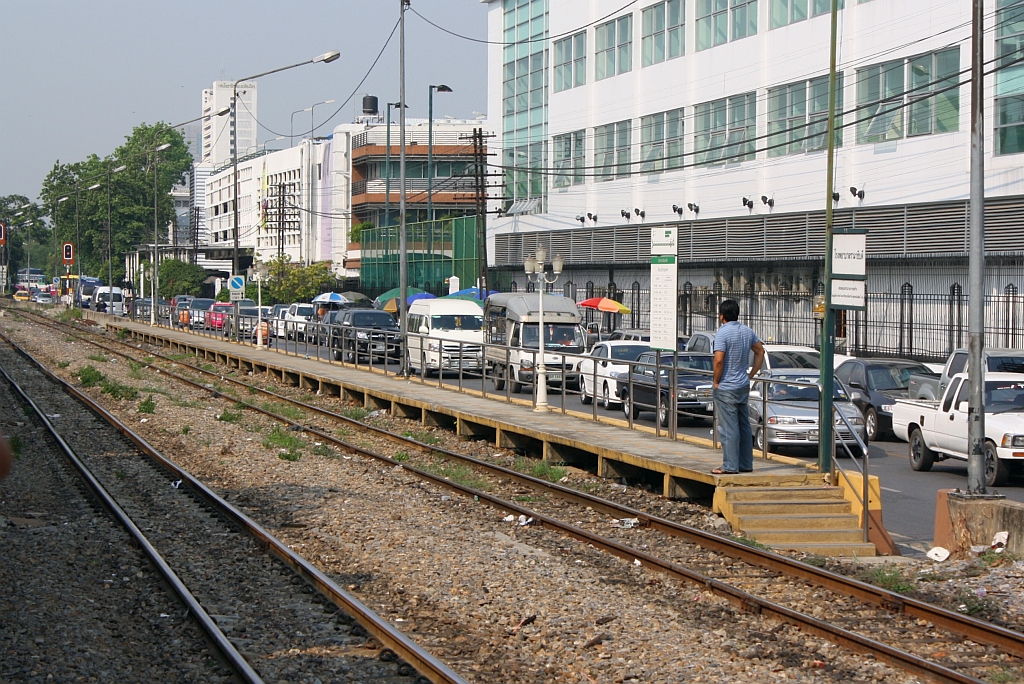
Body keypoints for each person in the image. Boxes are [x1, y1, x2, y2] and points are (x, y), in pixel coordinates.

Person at [711, 299, 765, 475]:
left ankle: (730, 465)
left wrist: (716, 381)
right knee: (743, 425)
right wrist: (752, 374)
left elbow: (719, 359)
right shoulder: (747, 331)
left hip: (726, 386)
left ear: (722, 316)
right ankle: (745, 463)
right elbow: (760, 351)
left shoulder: (722, 333)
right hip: (743, 384)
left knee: (728, 428)